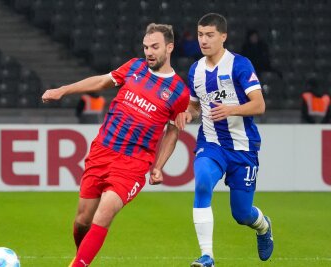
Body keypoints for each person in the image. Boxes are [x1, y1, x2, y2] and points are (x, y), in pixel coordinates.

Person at [42, 23, 189, 267]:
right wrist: (63, 90)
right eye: (145, 47)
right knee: (82, 220)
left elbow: (173, 132)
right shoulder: (134, 67)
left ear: (169, 47)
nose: (149, 52)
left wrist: (159, 166)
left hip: (133, 163)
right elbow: (101, 81)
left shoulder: (179, 92)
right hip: (103, 150)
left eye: (155, 46)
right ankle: (82, 257)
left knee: (105, 212)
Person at [175, 13, 274, 267]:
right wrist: (187, 113)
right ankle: (207, 255)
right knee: (202, 183)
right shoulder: (195, 70)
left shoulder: (240, 65)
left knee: (242, 214)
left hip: (243, 148)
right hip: (211, 144)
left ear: (223, 36)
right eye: (200, 35)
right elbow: (196, 106)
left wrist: (230, 109)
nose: (204, 41)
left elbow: (259, 105)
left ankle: (263, 227)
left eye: (209, 35)